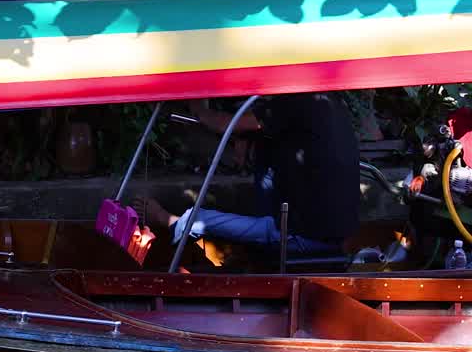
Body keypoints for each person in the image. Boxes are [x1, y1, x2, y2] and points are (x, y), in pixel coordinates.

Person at [137, 93, 360, 257]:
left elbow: (224, 124)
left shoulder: (297, 100)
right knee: (268, 157)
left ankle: (173, 222)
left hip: (306, 236)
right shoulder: (328, 102)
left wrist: (199, 110)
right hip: (339, 233)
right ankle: (260, 246)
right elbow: (264, 129)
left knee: (205, 219)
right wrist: (247, 138)